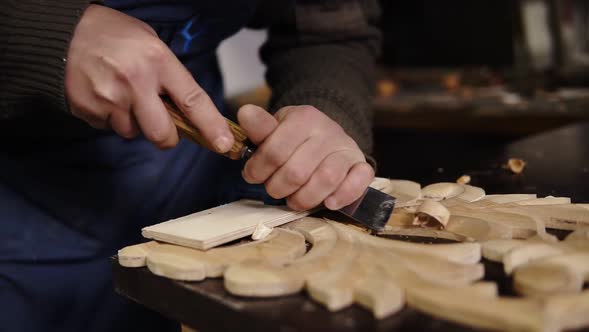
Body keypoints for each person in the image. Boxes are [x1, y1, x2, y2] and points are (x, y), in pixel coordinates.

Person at [0, 0, 380, 331]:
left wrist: (327, 117)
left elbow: (327, 29)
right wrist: (38, 34)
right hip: (18, 203)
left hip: (191, 187)